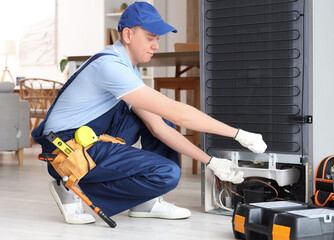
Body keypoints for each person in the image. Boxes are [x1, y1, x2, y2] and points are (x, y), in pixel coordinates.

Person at [32, 1, 267, 225]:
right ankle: (71, 188)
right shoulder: (110, 66)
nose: (156, 45)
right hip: (66, 151)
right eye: (150, 38)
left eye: (157, 39)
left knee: (157, 115)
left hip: (86, 137)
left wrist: (211, 161)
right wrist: (238, 134)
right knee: (166, 173)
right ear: (127, 35)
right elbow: (178, 114)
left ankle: (146, 202)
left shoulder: (127, 69)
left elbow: (160, 126)